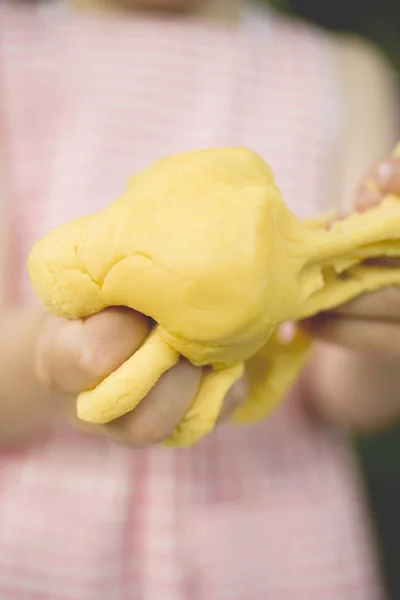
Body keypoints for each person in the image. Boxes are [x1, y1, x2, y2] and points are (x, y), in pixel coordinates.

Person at [0, 0, 399, 597]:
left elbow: (347, 398)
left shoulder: (341, 73)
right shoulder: (11, 56)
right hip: (48, 549)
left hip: (276, 554)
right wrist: (56, 357)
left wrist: (377, 304)